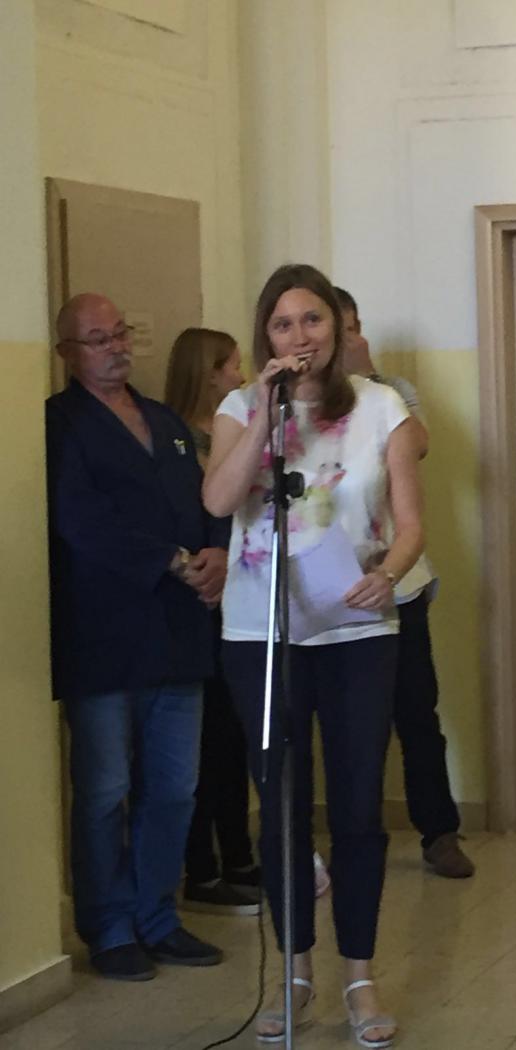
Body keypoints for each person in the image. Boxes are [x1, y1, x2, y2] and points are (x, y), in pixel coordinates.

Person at [203, 264, 424, 1046]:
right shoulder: (240, 408)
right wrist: (265, 412)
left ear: (336, 327)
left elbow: (409, 525)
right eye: (283, 324)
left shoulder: (380, 406)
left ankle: (359, 975)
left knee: (358, 808)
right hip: (260, 636)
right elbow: (218, 500)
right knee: (282, 810)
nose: (299, 336)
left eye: (312, 320)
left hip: (357, 631)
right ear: (266, 335)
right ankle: (293, 971)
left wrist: (388, 574)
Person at [47, 294, 226, 981]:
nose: (115, 346)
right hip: (102, 635)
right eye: (97, 339)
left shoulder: (165, 422)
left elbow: (208, 499)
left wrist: (215, 551)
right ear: (67, 354)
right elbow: (78, 521)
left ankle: (158, 917)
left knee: (175, 786)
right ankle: (110, 926)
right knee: (105, 790)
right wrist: (171, 561)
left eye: (120, 333)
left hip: (178, 632)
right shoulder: (59, 424)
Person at [333, 286, 474, 879]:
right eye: (341, 329)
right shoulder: (300, 400)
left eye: (354, 326)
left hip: (400, 580)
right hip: (328, 586)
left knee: (417, 713)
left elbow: (418, 446)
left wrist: (366, 378)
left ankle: (439, 832)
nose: (352, 338)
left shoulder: (393, 391)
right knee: (347, 725)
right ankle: (353, 836)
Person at [164, 327, 259, 915]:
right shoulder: (173, 440)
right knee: (202, 745)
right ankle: (201, 867)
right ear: (208, 373)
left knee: (234, 739)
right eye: (232, 366)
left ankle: (240, 856)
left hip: (237, 605)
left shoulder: (235, 434)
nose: (240, 377)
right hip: (193, 608)